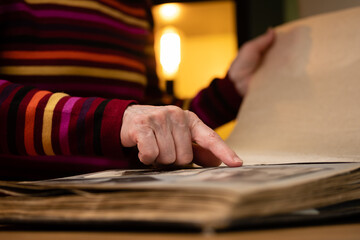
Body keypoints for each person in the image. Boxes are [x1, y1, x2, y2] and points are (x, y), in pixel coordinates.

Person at [0, 0, 274, 179]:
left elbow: (153, 115)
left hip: (125, 201)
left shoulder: (136, 7)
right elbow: (124, 119)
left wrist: (230, 91)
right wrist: (112, 120)